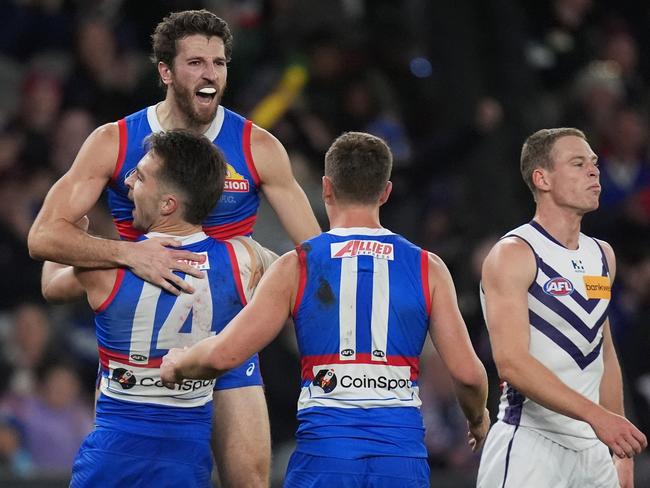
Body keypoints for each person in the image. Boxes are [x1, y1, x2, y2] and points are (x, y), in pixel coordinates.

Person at [28, 10, 321, 486]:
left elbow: (314, 257)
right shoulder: (114, 142)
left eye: (219, 63)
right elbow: (43, 237)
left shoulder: (257, 147)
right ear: (165, 71)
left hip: (225, 336)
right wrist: (130, 253)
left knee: (248, 479)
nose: (211, 75)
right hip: (137, 328)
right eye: (196, 63)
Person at [160, 132, 490, 487]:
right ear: (385, 192)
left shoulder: (297, 265)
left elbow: (225, 354)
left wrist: (180, 364)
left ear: (326, 188)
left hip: (326, 458)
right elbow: (468, 375)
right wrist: (476, 418)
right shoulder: (428, 268)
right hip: (400, 460)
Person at [41, 130, 272, 487]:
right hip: (185, 457)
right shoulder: (246, 259)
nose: (130, 183)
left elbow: (51, 286)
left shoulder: (105, 268)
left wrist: (74, 227)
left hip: (113, 454)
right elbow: (302, 279)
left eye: (142, 177)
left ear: (168, 204)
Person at [476, 128, 647, 488]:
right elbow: (511, 362)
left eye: (595, 163)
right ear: (542, 179)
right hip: (530, 442)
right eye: (578, 163)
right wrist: (599, 418)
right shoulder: (514, 253)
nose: (594, 171)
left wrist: (620, 448)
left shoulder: (603, 255)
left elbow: (605, 353)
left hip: (595, 447)